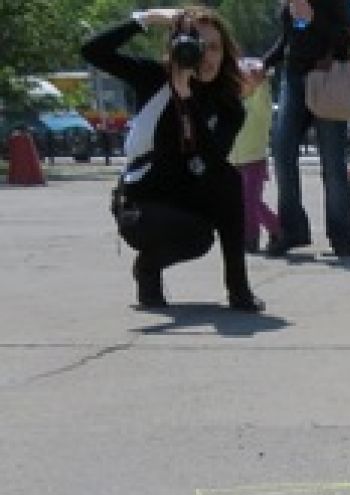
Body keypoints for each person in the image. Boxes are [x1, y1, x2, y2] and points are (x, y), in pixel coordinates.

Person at [82, 7, 264, 312]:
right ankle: (148, 270)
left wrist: (187, 99)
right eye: (198, 45)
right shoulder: (154, 78)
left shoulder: (229, 104)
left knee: (229, 181)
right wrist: (148, 19)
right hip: (144, 200)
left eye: (215, 48)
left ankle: (239, 288)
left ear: (226, 53)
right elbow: (92, 51)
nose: (207, 56)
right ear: (179, 46)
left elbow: (212, 157)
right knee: (192, 234)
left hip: (188, 196)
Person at [260, 0, 350, 257]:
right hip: (293, 78)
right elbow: (290, 40)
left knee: (332, 160)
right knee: (282, 150)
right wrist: (264, 63)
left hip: (327, 78)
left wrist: (314, 19)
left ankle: (341, 235)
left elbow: (349, 37)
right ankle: (293, 230)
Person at [230, 59, 281, 253]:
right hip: (234, 160)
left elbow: (261, 86)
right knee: (249, 201)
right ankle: (276, 228)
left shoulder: (260, 103)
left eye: (244, 79)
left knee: (249, 201)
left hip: (254, 159)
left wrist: (260, 77)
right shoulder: (235, 102)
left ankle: (250, 237)